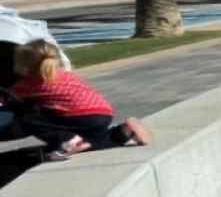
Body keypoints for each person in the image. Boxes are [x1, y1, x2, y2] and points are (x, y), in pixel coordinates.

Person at [6, 39, 152, 162]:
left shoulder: (28, 84)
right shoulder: (65, 75)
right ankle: (123, 133)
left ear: (23, 66)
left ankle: (66, 141)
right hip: (103, 113)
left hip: (81, 116)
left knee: (28, 119)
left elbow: (10, 99)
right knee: (87, 141)